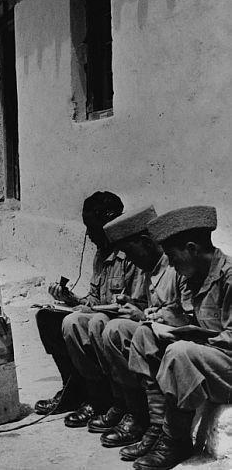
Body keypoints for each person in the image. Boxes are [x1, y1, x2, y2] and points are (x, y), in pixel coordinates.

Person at [127, 206, 232, 470]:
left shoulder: (229, 277)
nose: (171, 265)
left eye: (173, 258)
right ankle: (156, 425)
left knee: (180, 351)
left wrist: (195, 338)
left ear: (192, 248)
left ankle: (175, 440)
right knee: (144, 335)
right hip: (209, 358)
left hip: (227, 366)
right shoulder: (193, 275)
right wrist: (164, 319)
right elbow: (186, 314)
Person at [35, 191, 144, 422]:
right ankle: (74, 389)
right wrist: (72, 299)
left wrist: (92, 310)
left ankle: (104, 398)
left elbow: (133, 306)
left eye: (92, 227)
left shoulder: (133, 254)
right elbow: (95, 300)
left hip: (121, 322)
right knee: (48, 317)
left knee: (87, 322)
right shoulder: (101, 254)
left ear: (109, 223)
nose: (88, 234)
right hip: (100, 317)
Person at [97, 206, 189, 454]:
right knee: (112, 330)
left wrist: (146, 316)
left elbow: (187, 315)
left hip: (174, 340)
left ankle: (154, 424)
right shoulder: (150, 268)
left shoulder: (175, 266)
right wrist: (135, 307)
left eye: (129, 251)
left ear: (147, 242)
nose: (128, 259)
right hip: (155, 335)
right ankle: (135, 411)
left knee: (122, 331)